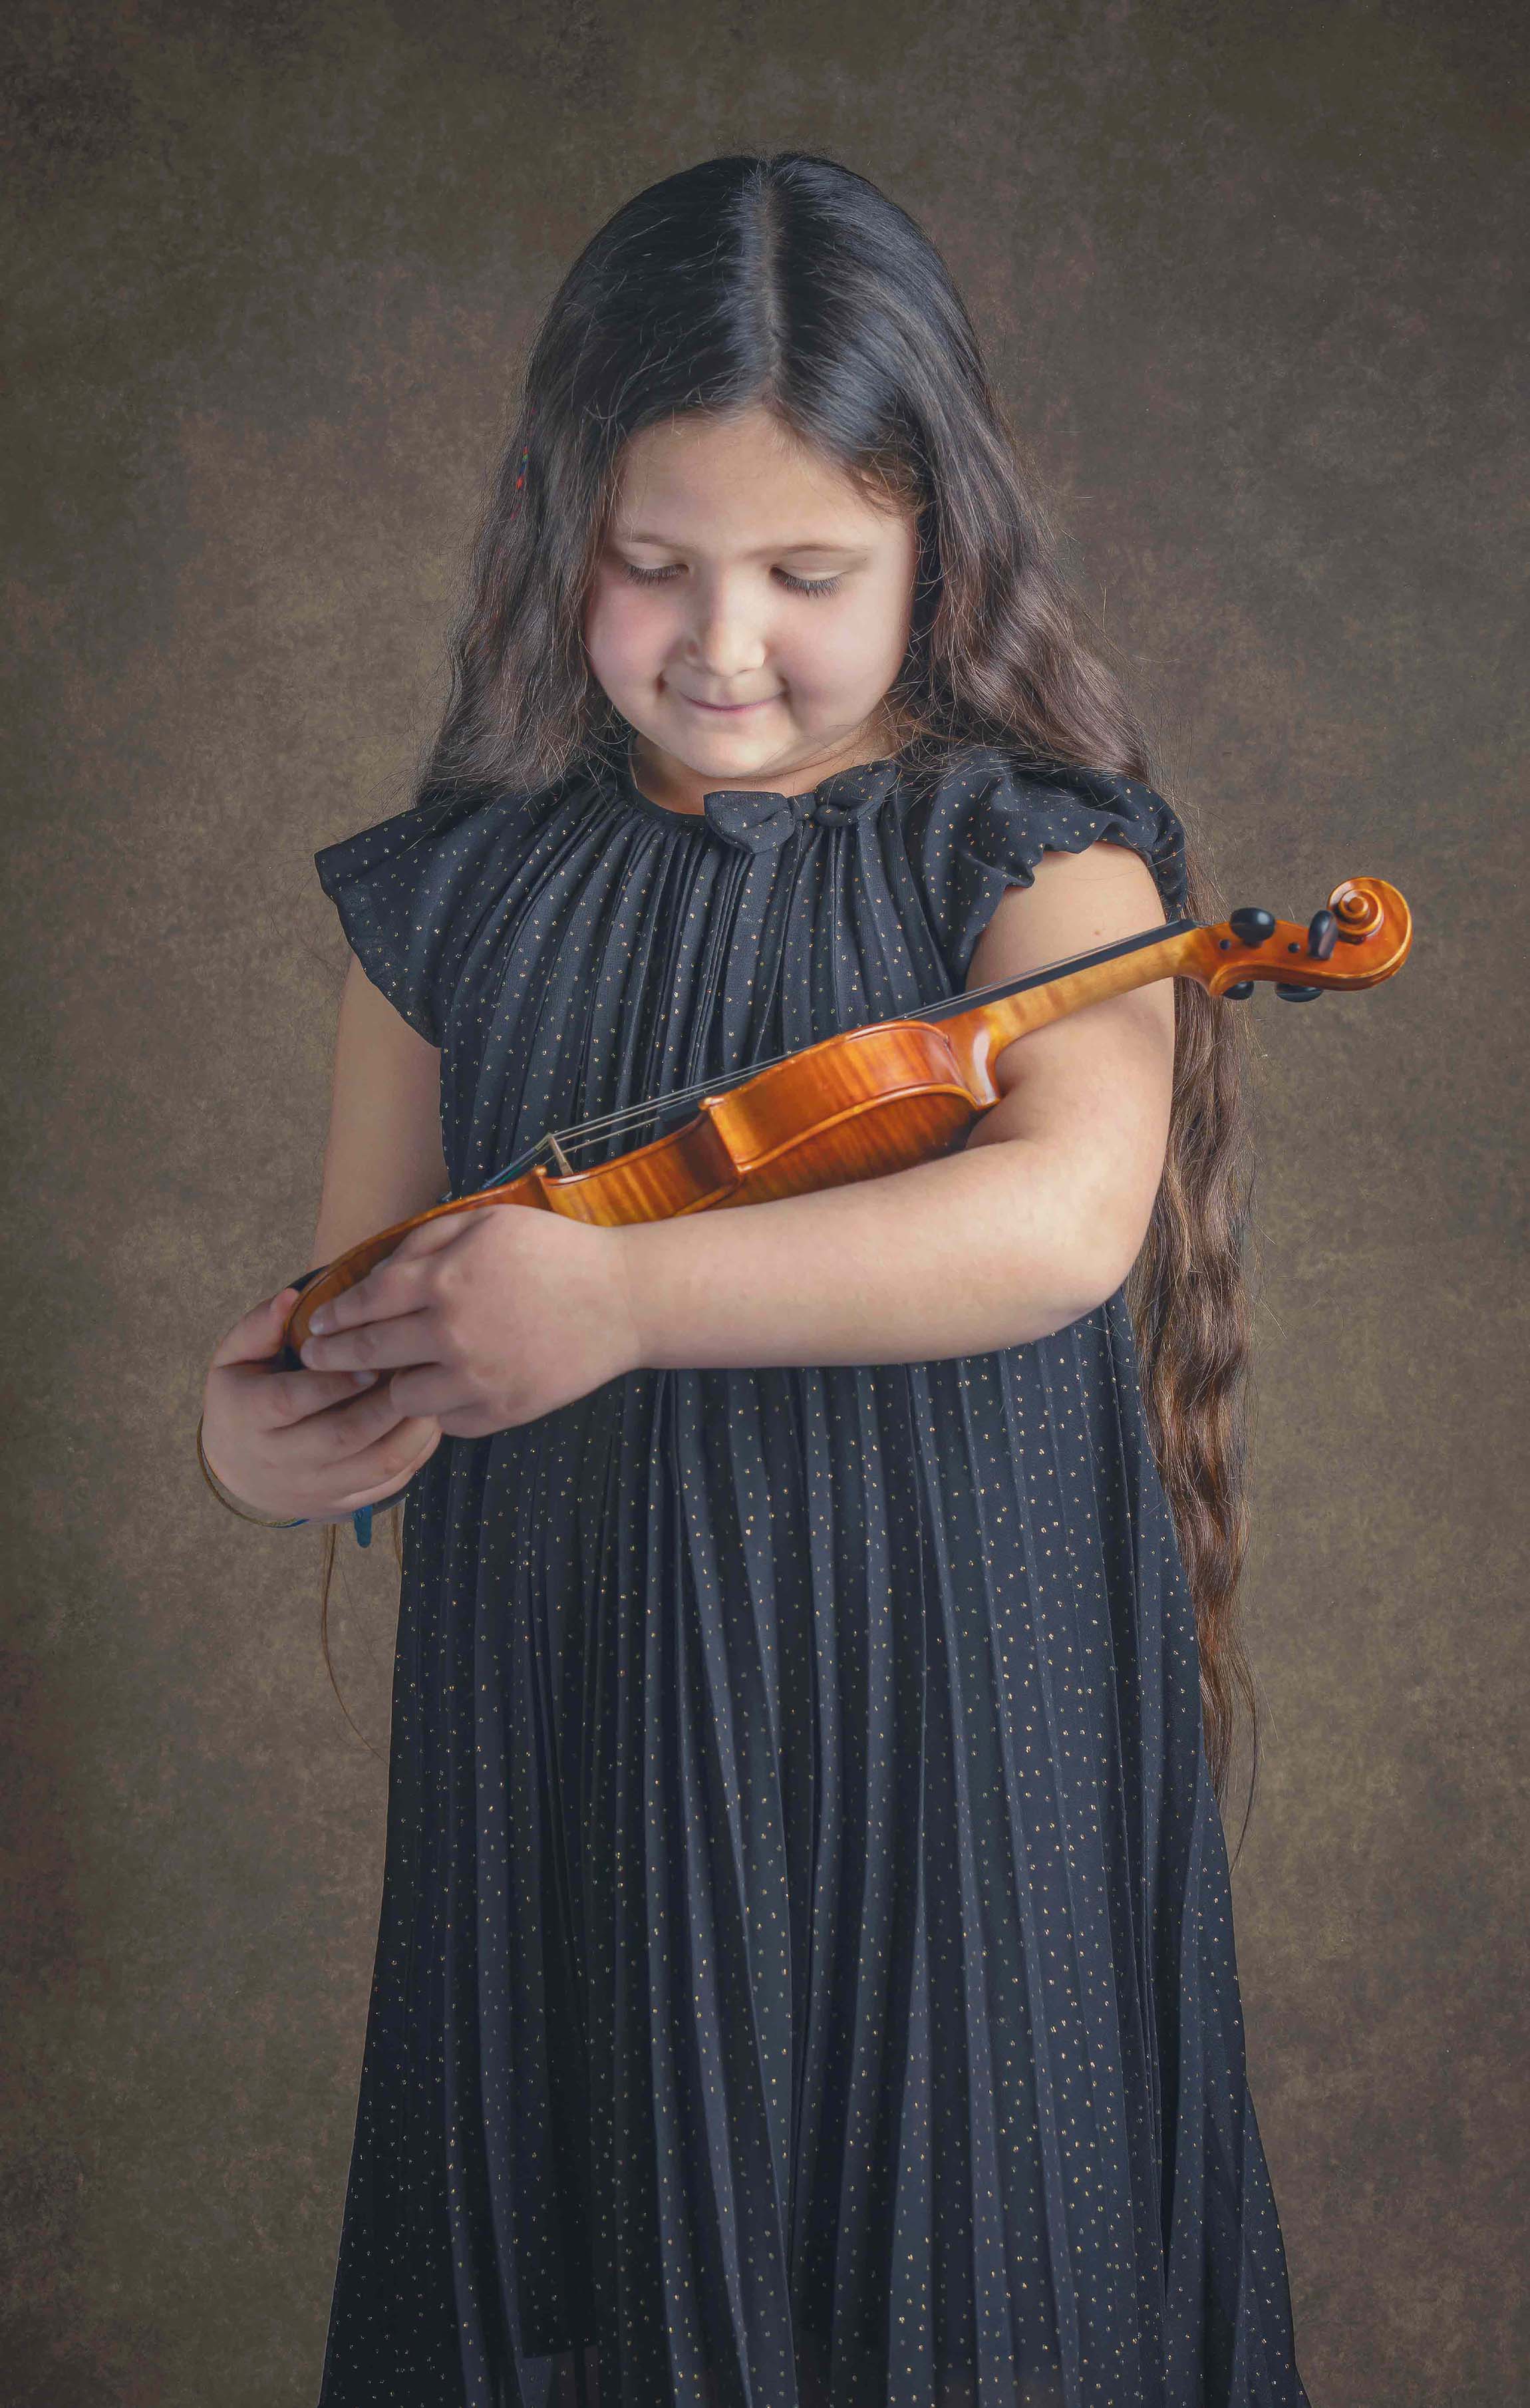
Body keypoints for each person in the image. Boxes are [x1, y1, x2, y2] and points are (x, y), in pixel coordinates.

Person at [198, 153, 1310, 2408]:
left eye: (808, 572)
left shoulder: (1041, 855)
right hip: (576, 1727)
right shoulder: (458, 897)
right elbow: (372, 1296)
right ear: (560, 538)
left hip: (941, 1730)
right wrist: (276, 1427)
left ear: (936, 548)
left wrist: (619, 1301)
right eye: (652, 566)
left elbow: (1060, 1221)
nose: (721, 643)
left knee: (959, 2256)